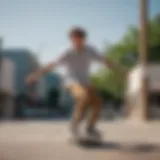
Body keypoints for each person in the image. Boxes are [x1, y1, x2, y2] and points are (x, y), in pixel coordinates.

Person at [26, 27, 125, 137]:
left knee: (98, 102)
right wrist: (36, 74)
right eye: (74, 39)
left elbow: (104, 60)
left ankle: (90, 127)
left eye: (79, 38)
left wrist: (118, 69)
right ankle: (75, 124)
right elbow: (52, 65)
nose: (77, 42)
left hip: (86, 83)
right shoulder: (67, 52)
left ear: (84, 39)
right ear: (71, 40)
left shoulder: (90, 50)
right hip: (71, 82)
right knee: (83, 96)